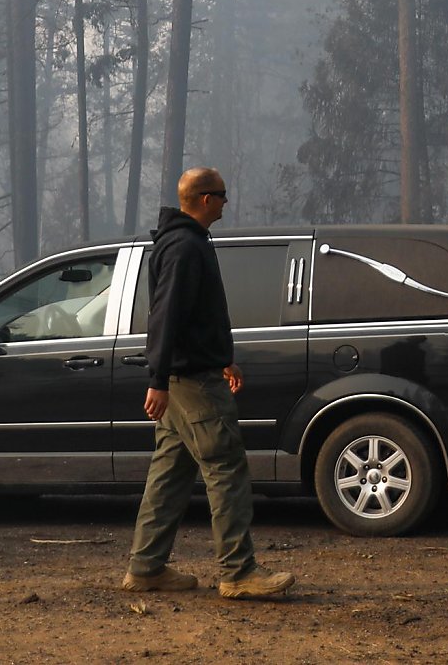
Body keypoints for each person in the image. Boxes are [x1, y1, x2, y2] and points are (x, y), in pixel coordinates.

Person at [120, 167, 295, 600]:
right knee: (226, 469)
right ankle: (238, 572)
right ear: (202, 199)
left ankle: (146, 568)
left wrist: (223, 360)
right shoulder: (184, 248)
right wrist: (156, 379)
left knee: (170, 473)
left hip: (190, 375)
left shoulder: (183, 243)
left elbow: (202, 316)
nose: (225, 203)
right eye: (221, 195)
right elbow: (165, 316)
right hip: (191, 384)